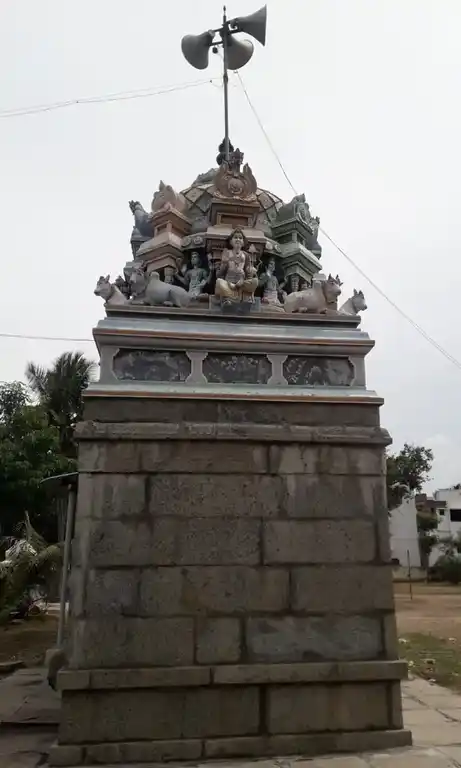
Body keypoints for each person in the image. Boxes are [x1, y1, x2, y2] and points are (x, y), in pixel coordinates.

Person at [215, 228, 258, 303]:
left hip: (242, 284)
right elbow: (219, 274)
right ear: (231, 241)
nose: (238, 239)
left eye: (240, 238)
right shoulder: (227, 253)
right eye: (235, 237)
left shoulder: (246, 255)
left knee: (255, 281)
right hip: (229, 283)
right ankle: (232, 297)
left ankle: (236, 297)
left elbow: (248, 274)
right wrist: (224, 264)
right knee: (219, 282)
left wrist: (251, 272)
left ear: (243, 242)